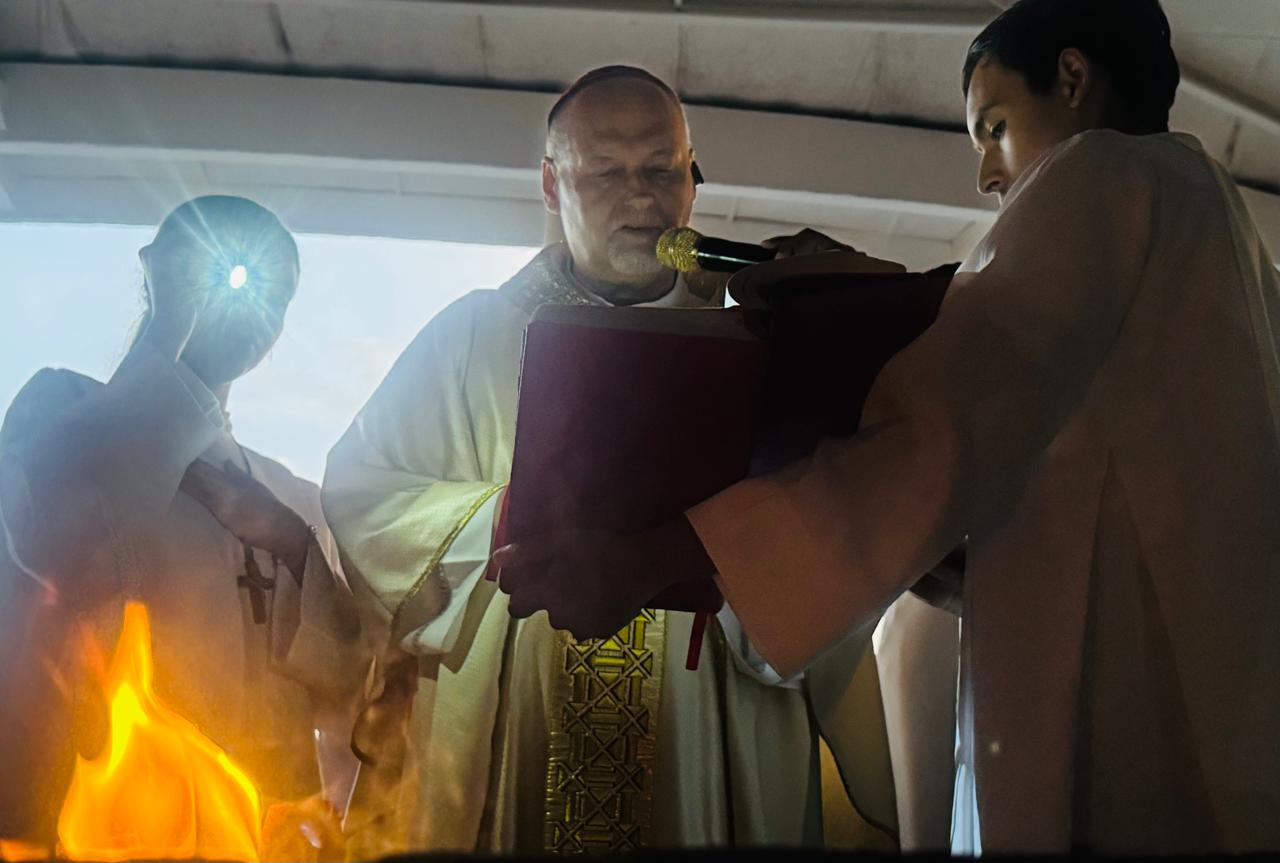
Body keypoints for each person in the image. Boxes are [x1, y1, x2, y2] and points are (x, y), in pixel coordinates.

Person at [493, 0, 1280, 854]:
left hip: (1123, 688)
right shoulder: (1226, 229)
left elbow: (940, 439)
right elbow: (1081, 489)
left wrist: (657, 555)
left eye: (994, 126)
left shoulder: (1100, 177)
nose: (987, 176)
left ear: (1072, 78)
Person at [322, 65, 901, 855]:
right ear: (551, 186)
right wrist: (505, 519)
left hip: (707, 729)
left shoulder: (764, 345)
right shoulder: (475, 338)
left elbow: (835, 548)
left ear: (692, 181)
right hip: (519, 730)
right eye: (605, 171)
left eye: (662, 169)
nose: (640, 196)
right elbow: (365, 494)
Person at [0, 197, 368, 855]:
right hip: (121, 814)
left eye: (278, 295)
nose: (257, 311)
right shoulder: (63, 414)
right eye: (225, 273)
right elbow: (49, 551)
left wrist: (293, 544)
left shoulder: (290, 495)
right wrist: (167, 328)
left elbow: (349, 676)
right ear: (158, 274)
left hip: (261, 823)